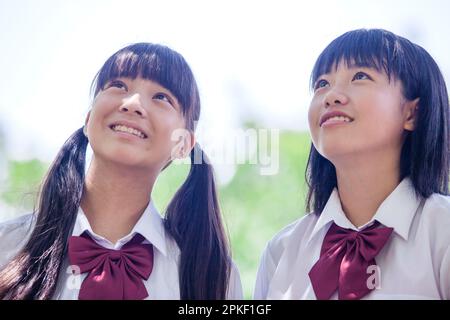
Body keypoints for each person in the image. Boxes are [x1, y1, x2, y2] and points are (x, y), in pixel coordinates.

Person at [0, 42, 243, 300]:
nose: (132, 103)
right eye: (118, 85)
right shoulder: (9, 244)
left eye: (162, 97)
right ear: (88, 119)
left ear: (183, 144)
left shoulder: (214, 279)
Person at [254, 28, 450, 300]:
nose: (331, 96)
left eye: (360, 76)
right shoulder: (282, 250)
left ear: (412, 113)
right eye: (322, 83)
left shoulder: (443, 230)